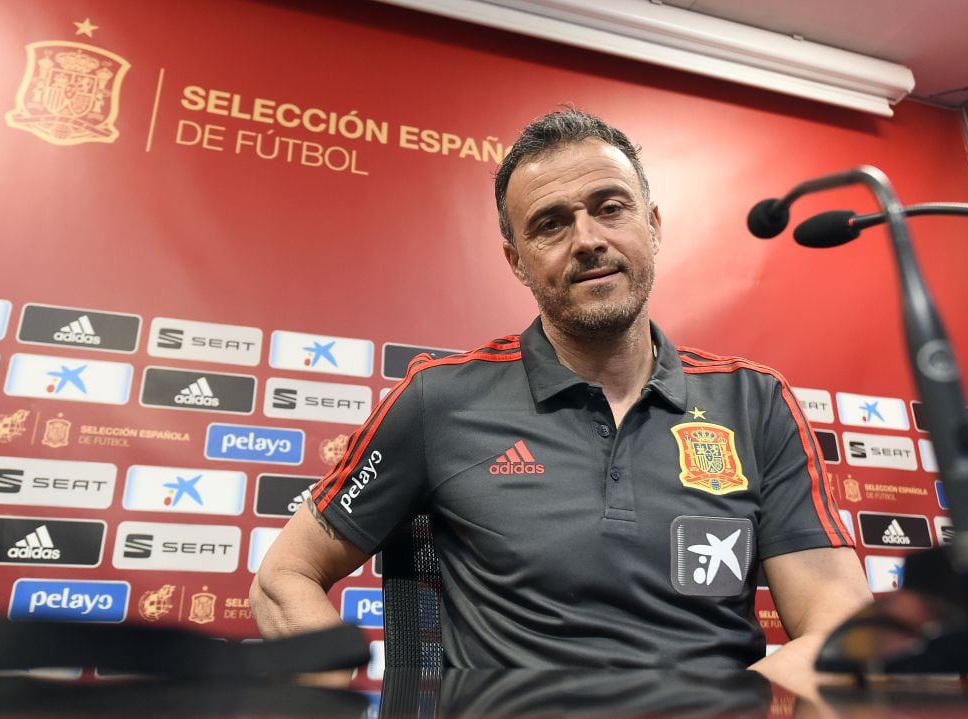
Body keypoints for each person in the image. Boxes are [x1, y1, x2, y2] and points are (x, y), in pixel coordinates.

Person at [251, 108, 872, 680]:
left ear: (652, 226)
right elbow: (284, 577)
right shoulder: (437, 401)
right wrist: (330, 694)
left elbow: (837, 622)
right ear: (515, 259)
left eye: (611, 207)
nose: (587, 239)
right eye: (551, 224)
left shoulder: (755, 402)